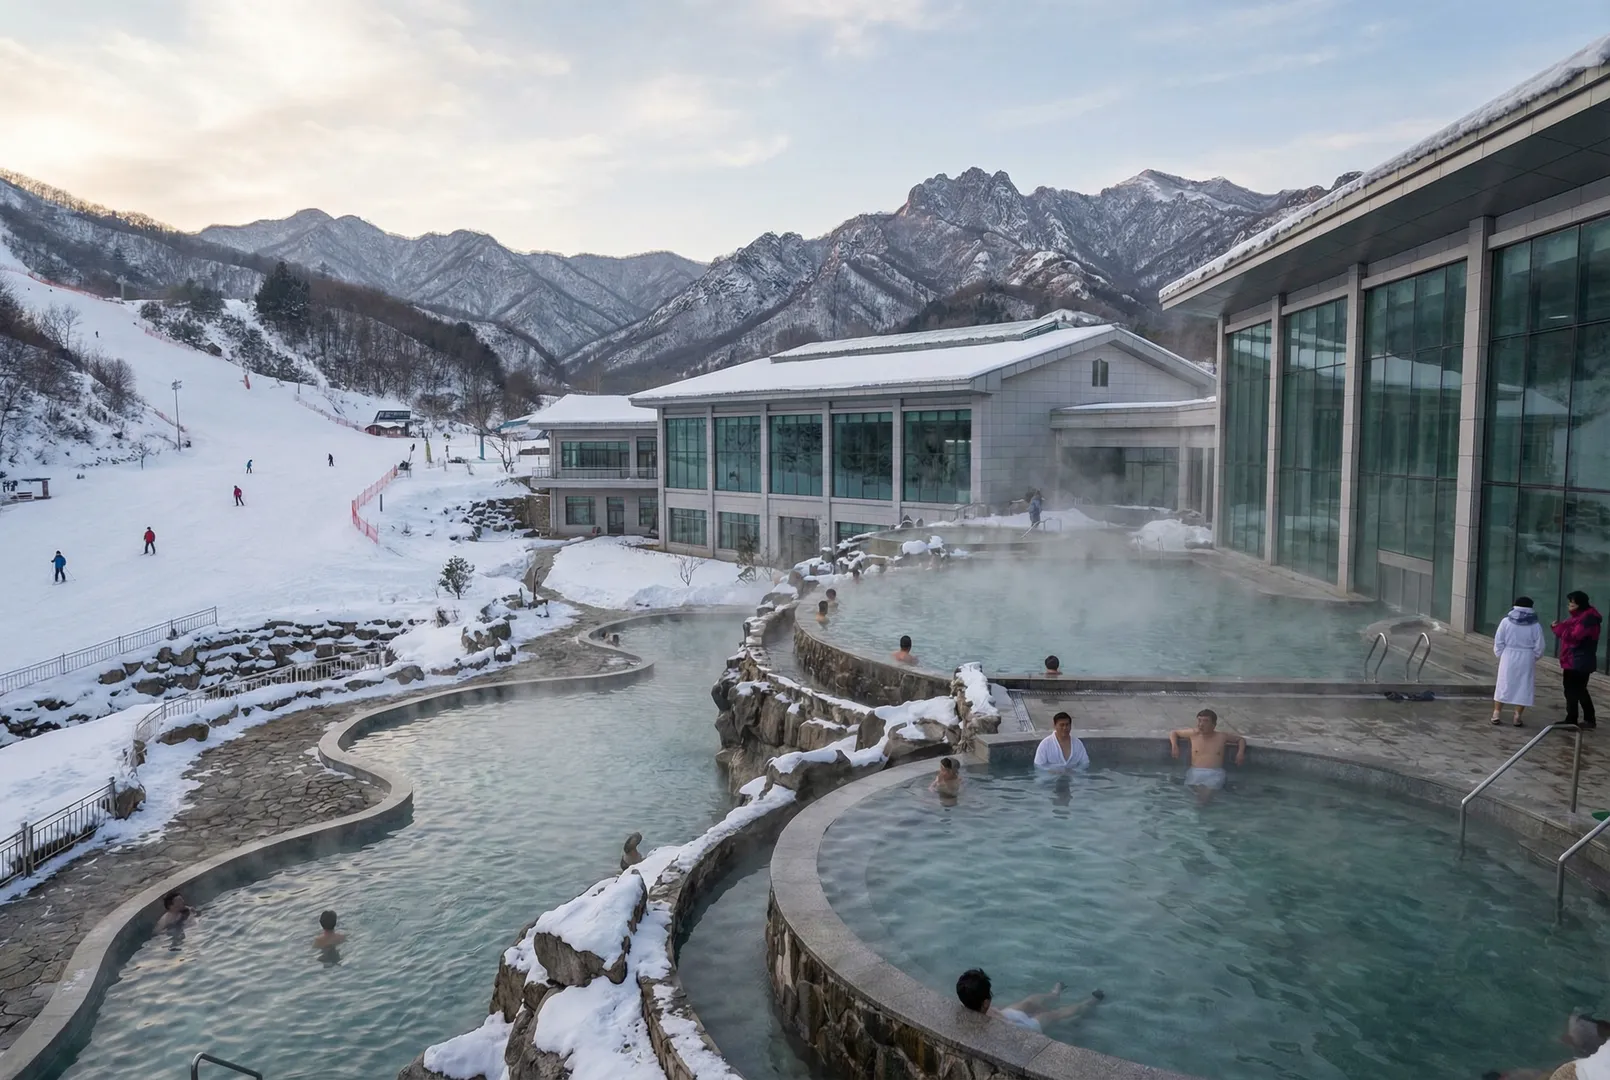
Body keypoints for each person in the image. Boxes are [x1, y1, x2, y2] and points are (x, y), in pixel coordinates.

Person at [955, 968, 1102, 1033]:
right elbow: (1010, 1029)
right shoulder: (994, 1024)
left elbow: (990, 1012)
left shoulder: (967, 1000)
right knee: (1053, 1015)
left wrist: (998, 1011)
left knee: (1028, 1002)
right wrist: (1034, 1017)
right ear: (986, 1002)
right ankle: (1090, 1002)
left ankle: (1054, 995)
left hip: (1002, 1014)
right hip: (1018, 1027)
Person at [1169, 708, 1246, 803]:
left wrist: (1240, 753)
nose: (1201, 724)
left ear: (1214, 725)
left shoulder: (1221, 736)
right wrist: (1175, 746)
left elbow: (1240, 740)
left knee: (1203, 797)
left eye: (1205, 721)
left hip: (1215, 773)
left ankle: (1199, 809)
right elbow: (1174, 733)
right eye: (1199, 720)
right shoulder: (1194, 734)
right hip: (1195, 771)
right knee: (1199, 796)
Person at [1493, 596, 1546, 727]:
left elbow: (1499, 640)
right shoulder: (1535, 625)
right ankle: (1517, 716)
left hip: (1508, 655)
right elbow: (1540, 646)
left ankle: (1496, 713)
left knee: (1503, 684)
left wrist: (1500, 654)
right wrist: (1534, 657)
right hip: (1527, 657)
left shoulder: (1506, 622)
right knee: (1524, 686)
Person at [1553, 591, 1601, 730]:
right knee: (1572, 689)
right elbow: (1566, 630)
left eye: (1572, 604)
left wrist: (1558, 628)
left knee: (1577, 690)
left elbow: (1575, 636)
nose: (1569, 606)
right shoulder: (1577, 617)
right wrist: (1559, 628)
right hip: (1572, 659)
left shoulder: (1588, 619)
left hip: (1580, 660)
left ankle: (1584, 719)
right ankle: (1575, 718)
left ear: (1579, 605)